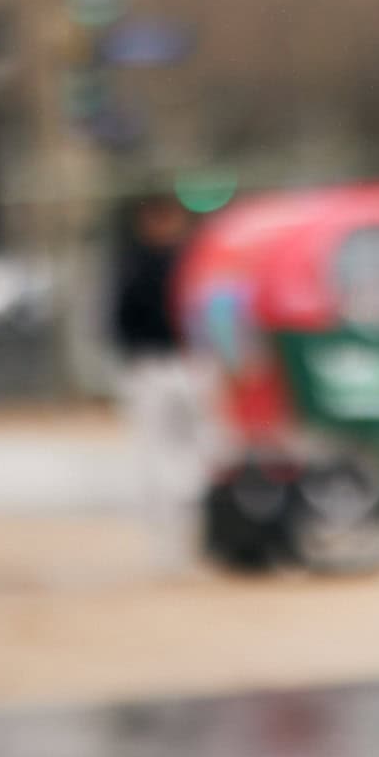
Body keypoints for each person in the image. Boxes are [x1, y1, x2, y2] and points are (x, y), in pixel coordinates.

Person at [110, 193, 224, 568]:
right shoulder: (134, 263)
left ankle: (203, 530)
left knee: (204, 447)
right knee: (157, 453)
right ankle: (167, 539)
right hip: (152, 365)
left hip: (191, 363)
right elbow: (120, 318)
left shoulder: (192, 261)